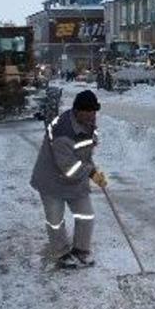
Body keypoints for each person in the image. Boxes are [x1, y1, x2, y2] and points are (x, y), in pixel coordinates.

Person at [30, 90, 107, 269]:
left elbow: (84, 155)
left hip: (74, 177)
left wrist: (94, 171)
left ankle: (81, 250)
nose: (91, 115)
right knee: (55, 220)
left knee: (86, 214)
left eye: (94, 111)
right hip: (51, 180)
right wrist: (91, 173)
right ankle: (61, 252)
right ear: (77, 111)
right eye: (87, 112)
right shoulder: (62, 132)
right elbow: (70, 168)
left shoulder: (88, 126)